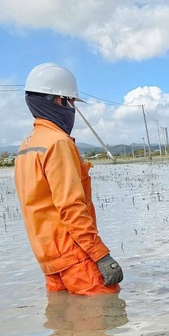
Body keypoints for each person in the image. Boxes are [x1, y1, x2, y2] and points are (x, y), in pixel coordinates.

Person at [15, 62, 123, 295]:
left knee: (69, 322)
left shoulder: (27, 145)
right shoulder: (58, 143)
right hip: (76, 255)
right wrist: (100, 255)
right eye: (72, 102)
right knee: (104, 318)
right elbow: (71, 207)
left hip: (49, 258)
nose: (73, 109)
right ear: (59, 100)